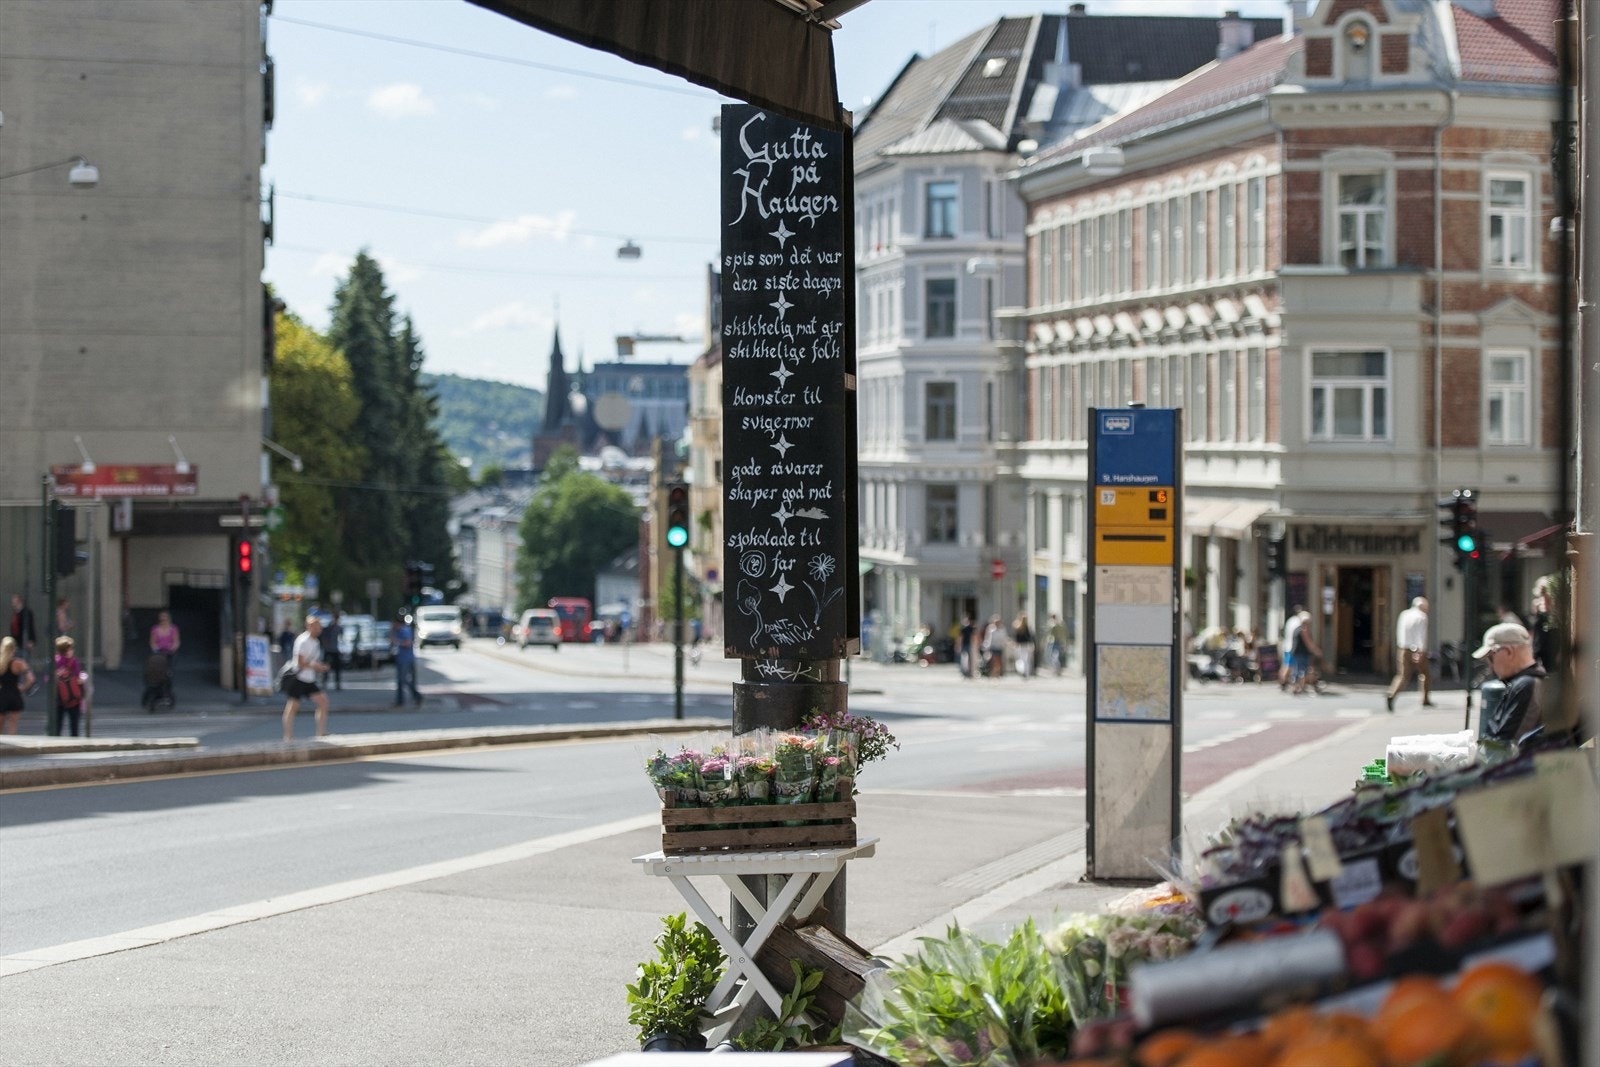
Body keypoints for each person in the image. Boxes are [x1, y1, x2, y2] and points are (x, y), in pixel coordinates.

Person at [1474, 622, 1545, 745]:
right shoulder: (1523, 683)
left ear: (1508, 651)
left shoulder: (1526, 685)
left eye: (1491, 657)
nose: (1490, 666)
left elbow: (1507, 744)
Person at [283, 613, 330, 742]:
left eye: (320, 626)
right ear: (310, 626)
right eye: (317, 626)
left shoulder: (315, 642)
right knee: (292, 707)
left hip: (309, 679)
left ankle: (321, 733)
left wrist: (320, 666)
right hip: (298, 678)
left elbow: (313, 661)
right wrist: (317, 667)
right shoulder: (302, 641)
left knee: (323, 702)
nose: (319, 628)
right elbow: (300, 663)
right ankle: (288, 736)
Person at [1385, 596, 1433, 713]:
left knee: (1402, 675)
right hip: (1416, 649)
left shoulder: (1404, 614)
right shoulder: (1421, 617)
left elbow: (1400, 631)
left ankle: (1392, 694)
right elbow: (1421, 635)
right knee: (1425, 674)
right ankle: (1424, 699)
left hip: (1403, 648)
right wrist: (1420, 650)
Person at [52, 635, 87, 737]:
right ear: (67, 649)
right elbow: (78, 678)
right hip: (73, 698)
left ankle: (54, 743)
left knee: (57, 724)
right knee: (74, 724)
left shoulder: (55, 662)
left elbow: (48, 679)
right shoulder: (73, 662)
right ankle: (75, 743)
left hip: (59, 698)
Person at [0, 636, 34, 734]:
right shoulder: (19, 663)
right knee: (13, 724)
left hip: (2, 694)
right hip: (15, 693)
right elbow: (31, 679)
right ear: (14, 648)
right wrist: (23, 688)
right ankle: (12, 745)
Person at [391, 612, 422, 707]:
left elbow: (408, 643)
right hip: (401, 658)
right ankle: (402, 700)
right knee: (401, 681)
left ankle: (415, 696)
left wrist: (397, 642)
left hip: (406, 659)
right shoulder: (398, 631)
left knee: (402, 680)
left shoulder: (404, 631)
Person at [1289, 609, 1322, 695]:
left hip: (1297, 653)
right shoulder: (1304, 630)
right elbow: (1308, 642)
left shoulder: (1298, 629)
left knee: (1300, 670)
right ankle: (1298, 687)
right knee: (1302, 670)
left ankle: (1299, 687)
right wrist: (1316, 650)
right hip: (1301, 653)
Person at [1278, 605, 1304, 690]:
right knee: (1288, 665)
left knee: (1286, 664)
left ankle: (1283, 681)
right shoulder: (1298, 622)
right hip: (1292, 647)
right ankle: (1283, 681)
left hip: (1287, 645)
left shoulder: (1290, 620)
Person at [319, 609, 344, 691]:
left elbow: (342, 638)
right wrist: (325, 647)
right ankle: (324, 682)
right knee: (326, 667)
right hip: (329, 650)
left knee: (337, 668)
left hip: (335, 650)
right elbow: (324, 638)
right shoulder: (329, 627)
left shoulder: (339, 628)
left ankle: (337, 684)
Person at [9, 594, 37, 660]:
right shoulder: (15, 614)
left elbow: (30, 627)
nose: (13, 604)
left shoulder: (26, 613)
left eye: (14, 602)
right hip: (16, 644)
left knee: (24, 661)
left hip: (24, 643)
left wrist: (31, 640)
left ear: (19, 602)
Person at [1011, 612, 1035, 679]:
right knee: (1025, 659)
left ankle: (1023, 671)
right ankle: (1025, 672)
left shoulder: (1018, 626)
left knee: (1022, 659)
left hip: (1021, 645)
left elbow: (1016, 637)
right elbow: (1030, 637)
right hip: (1024, 645)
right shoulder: (1023, 626)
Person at [957, 614, 976, 678]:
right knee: (965, 659)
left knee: (967, 659)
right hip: (965, 644)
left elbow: (973, 636)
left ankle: (968, 672)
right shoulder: (964, 628)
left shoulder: (969, 628)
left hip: (968, 644)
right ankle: (966, 672)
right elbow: (960, 637)